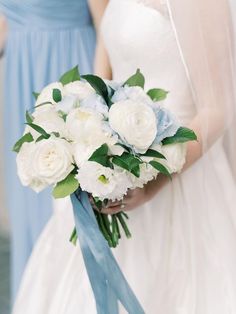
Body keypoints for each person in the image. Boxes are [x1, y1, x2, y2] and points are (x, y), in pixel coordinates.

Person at [13, 0, 236, 313]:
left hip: (179, 175)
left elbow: (219, 109)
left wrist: (152, 184)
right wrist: (82, 140)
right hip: (114, 166)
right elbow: (100, 81)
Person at [0, 0, 96, 301]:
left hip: (70, 74)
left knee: (67, 209)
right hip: (20, 71)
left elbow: (107, 22)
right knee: (29, 193)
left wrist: (101, 99)